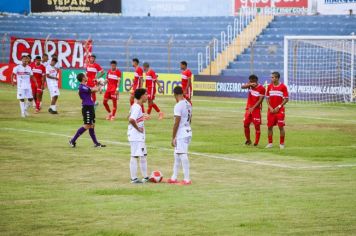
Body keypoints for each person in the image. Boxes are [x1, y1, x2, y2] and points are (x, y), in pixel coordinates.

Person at [69, 73, 106, 148]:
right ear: (83, 78)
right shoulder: (82, 87)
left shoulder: (85, 86)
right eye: (85, 76)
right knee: (88, 125)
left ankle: (96, 143)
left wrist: (99, 84)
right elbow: (93, 90)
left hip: (90, 106)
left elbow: (94, 90)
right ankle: (72, 140)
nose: (87, 77)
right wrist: (100, 84)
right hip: (87, 107)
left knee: (92, 125)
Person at [167, 86, 192, 185]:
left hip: (182, 132)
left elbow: (176, 122)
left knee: (182, 154)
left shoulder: (178, 105)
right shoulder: (188, 103)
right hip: (188, 130)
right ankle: (174, 177)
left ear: (175, 95)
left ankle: (187, 179)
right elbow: (190, 118)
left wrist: (173, 136)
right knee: (177, 154)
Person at [128, 88, 150, 184]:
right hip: (136, 135)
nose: (147, 96)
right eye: (146, 94)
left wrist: (142, 116)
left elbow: (131, 117)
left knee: (143, 155)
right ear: (141, 96)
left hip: (138, 136)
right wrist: (138, 129)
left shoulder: (136, 106)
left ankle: (145, 177)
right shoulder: (137, 107)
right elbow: (131, 120)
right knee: (135, 155)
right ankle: (134, 178)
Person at [265, 72, 289, 149]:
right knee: (269, 127)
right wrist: (270, 107)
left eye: (273, 77)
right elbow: (267, 98)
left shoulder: (283, 87)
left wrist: (279, 106)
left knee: (281, 127)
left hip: (280, 110)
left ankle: (282, 144)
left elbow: (286, 99)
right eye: (271, 77)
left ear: (277, 78)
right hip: (271, 111)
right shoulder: (269, 86)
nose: (271, 79)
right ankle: (270, 143)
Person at [241, 74, 266, 146]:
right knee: (245, 124)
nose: (250, 82)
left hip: (256, 110)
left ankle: (256, 143)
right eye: (249, 81)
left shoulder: (262, 88)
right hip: (248, 109)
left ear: (256, 80)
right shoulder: (250, 85)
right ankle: (248, 140)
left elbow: (260, 100)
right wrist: (250, 84)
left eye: (251, 81)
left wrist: (253, 107)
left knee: (257, 126)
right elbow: (242, 87)